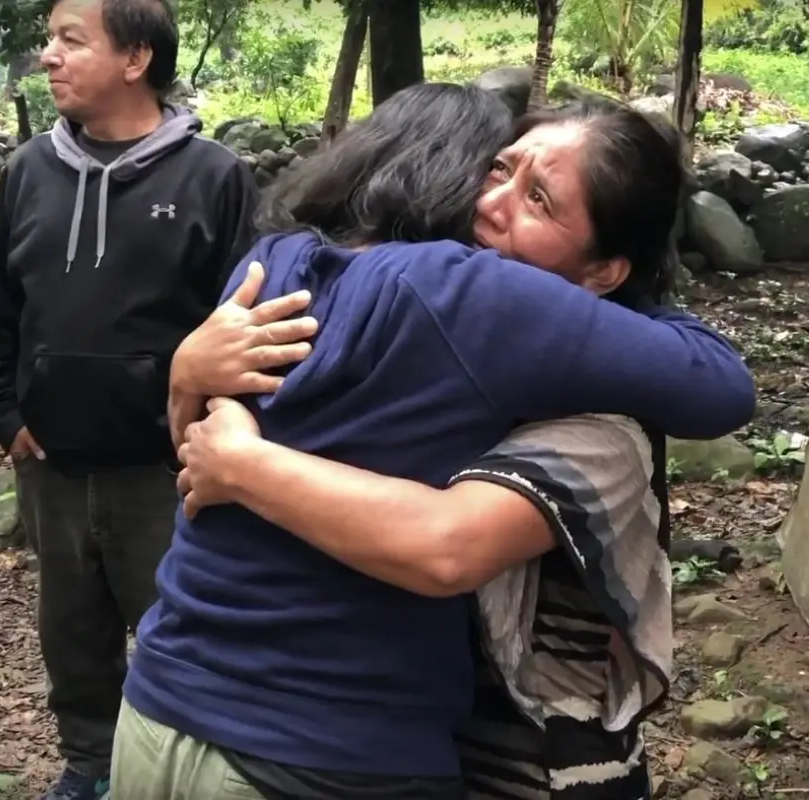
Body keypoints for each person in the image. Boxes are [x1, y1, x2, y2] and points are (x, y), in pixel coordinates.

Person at [111, 85, 754, 799]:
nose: (492, 202)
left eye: (539, 200)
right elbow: (721, 385)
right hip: (325, 750)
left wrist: (191, 380)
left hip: (155, 710)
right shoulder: (475, 293)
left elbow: (193, 439)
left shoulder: (270, 262)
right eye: (498, 169)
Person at [0, 0, 260, 797]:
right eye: (50, 40)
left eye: (70, 41)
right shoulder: (28, 172)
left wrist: (211, 443)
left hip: (167, 474)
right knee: (72, 635)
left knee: (182, 629)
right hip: (51, 465)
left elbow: (246, 325)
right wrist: (4, 415)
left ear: (135, 59)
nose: (49, 57)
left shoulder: (216, 178)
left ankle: (190, 771)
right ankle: (90, 766)